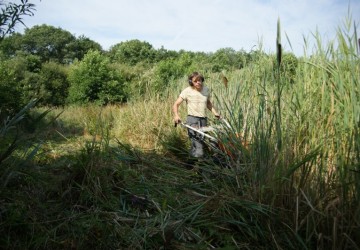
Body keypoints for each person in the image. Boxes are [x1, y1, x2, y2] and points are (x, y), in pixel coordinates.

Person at [173, 72, 221, 159]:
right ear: (191, 82)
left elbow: (208, 103)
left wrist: (215, 113)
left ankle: (192, 162)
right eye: (196, 81)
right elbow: (176, 104)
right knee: (198, 148)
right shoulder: (187, 91)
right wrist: (176, 116)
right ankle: (194, 165)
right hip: (192, 120)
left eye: (200, 80)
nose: (198, 82)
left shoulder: (206, 90)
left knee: (204, 142)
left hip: (203, 120)